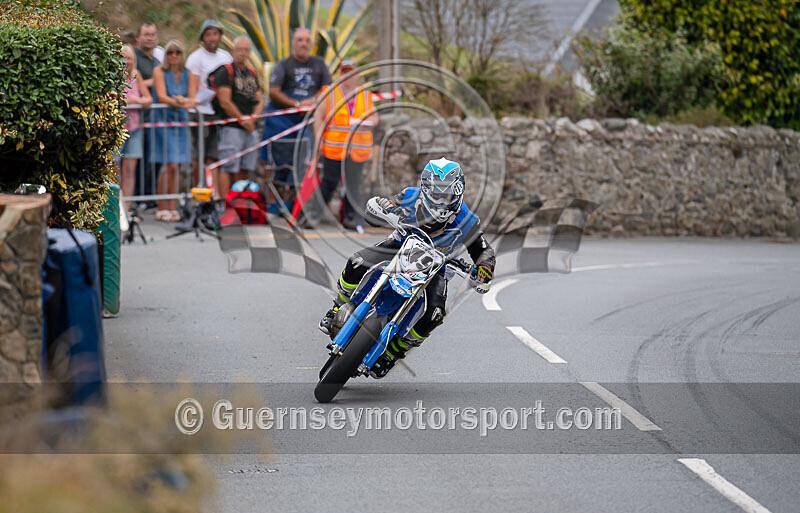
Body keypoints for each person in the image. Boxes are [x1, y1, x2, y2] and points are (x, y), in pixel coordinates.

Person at [318, 158, 496, 377]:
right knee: (357, 261)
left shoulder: (467, 219)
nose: (440, 201)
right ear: (425, 189)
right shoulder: (410, 196)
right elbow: (382, 209)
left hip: (436, 267)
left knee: (435, 313)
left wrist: (484, 269)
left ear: (458, 193)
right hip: (400, 246)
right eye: (436, 193)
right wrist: (383, 209)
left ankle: (394, 352)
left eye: (446, 194)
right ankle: (338, 307)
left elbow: (483, 249)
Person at [261, 27, 332, 201]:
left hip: (309, 118)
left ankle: (296, 202)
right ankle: (272, 202)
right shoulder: (283, 65)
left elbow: (328, 88)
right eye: (300, 40)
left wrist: (312, 103)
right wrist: (298, 105)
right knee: (274, 158)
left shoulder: (319, 64)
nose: (304, 44)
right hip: (284, 118)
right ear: (294, 43)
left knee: (304, 158)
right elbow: (273, 91)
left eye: (307, 41)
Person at [312, 58, 377, 230]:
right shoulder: (330, 92)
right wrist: (318, 140)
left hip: (357, 149)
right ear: (340, 74)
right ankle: (311, 216)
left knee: (352, 184)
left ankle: (350, 219)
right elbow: (318, 117)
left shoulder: (364, 95)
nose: (348, 76)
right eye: (344, 72)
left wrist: (367, 122)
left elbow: (374, 117)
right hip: (335, 147)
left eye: (351, 72)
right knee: (329, 181)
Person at [209, 36, 264, 199]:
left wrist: (253, 118)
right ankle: (226, 204)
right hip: (232, 127)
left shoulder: (252, 73)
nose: (242, 53)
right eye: (239, 49)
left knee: (245, 167)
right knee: (228, 167)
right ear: (233, 51)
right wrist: (242, 120)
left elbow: (259, 100)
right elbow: (224, 101)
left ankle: (241, 202)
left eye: (246, 50)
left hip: (250, 127)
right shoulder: (226, 72)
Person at [151, 39, 196, 221]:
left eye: (177, 52)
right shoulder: (159, 71)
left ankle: (173, 206)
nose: (174, 56)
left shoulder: (188, 73)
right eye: (170, 53)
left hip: (181, 121)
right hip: (164, 120)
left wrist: (184, 101)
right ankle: (162, 205)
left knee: (177, 165)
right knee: (168, 164)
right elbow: (161, 95)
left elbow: (193, 98)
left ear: (182, 55)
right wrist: (180, 101)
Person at [187, 19, 233, 195]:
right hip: (201, 114)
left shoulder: (225, 57)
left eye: (215, 34)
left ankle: (214, 194)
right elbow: (193, 91)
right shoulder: (195, 58)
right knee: (199, 157)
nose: (212, 38)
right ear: (203, 37)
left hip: (218, 114)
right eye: (208, 34)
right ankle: (197, 192)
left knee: (214, 157)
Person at [118, 44, 152, 198]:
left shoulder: (136, 75)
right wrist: (124, 102)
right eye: (123, 58)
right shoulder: (113, 76)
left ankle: (128, 205)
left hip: (134, 129)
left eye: (129, 58)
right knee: (113, 169)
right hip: (117, 129)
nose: (126, 61)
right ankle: (114, 205)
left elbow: (148, 99)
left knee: (130, 170)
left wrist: (136, 100)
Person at [134, 22, 161, 200]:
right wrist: (156, 81)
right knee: (138, 161)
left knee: (153, 159)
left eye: (152, 34)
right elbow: (135, 80)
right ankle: (138, 198)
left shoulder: (157, 60)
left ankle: (149, 197)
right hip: (138, 117)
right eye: (146, 34)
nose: (149, 37)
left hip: (155, 117)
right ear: (138, 38)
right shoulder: (134, 57)